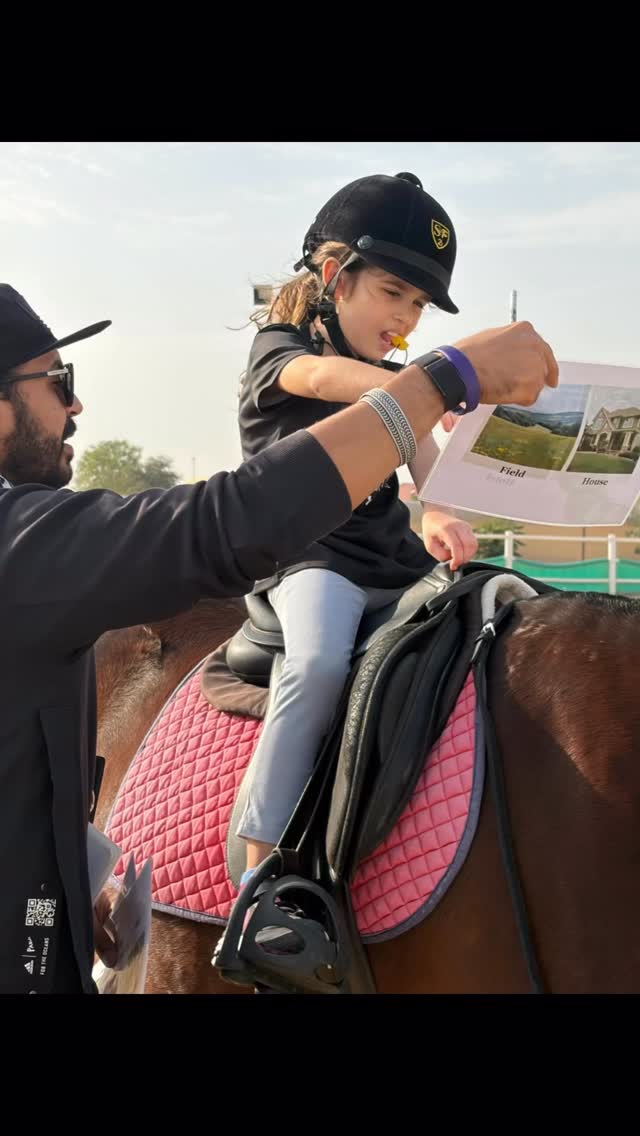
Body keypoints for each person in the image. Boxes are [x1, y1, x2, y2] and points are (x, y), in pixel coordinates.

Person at [0, 280, 556, 993]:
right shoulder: (21, 546)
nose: (74, 405)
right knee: (317, 660)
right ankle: (263, 867)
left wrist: (70, 895)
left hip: (44, 940)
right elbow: (229, 522)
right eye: (57, 380)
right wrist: (446, 377)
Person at [233, 172, 477, 891]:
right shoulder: (281, 349)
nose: (405, 317)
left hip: (388, 556)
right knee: (316, 666)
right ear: (337, 275)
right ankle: (260, 870)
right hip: (311, 556)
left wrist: (438, 510)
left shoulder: (391, 373)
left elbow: (418, 447)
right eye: (392, 293)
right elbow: (317, 377)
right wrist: (422, 383)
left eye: (419, 305)